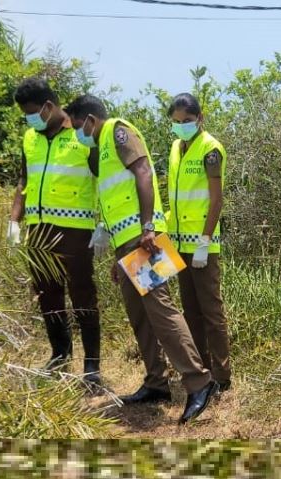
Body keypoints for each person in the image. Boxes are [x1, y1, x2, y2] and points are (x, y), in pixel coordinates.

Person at [64, 94, 216, 424]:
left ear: (90, 119)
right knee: (138, 311)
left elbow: (144, 172)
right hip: (126, 241)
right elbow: (115, 196)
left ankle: (199, 381)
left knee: (160, 309)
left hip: (143, 236)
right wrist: (112, 243)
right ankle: (156, 382)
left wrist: (148, 227)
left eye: (77, 126)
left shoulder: (118, 131)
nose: (77, 133)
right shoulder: (100, 149)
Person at [11, 77, 101, 383]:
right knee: (48, 296)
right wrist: (14, 220)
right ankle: (60, 356)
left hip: (75, 230)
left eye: (33, 112)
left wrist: (103, 224)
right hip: (38, 230)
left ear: (49, 106)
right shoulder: (30, 138)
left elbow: (104, 176)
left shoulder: (81, 135)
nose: (29, 119)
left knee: (82, 295)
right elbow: (24, 180)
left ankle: (92, 366)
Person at [165, 93, 232, 393]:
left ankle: (222, 376)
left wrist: (205, 241)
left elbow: (216, 200)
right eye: (177, 122)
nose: (182, 126)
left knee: (211, 312)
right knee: (189, 311)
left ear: (200, 118)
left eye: (187, 121)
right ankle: (201, 370)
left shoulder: (210, 149)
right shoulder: (176, 148)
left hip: (203, 245)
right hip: (178, 242)